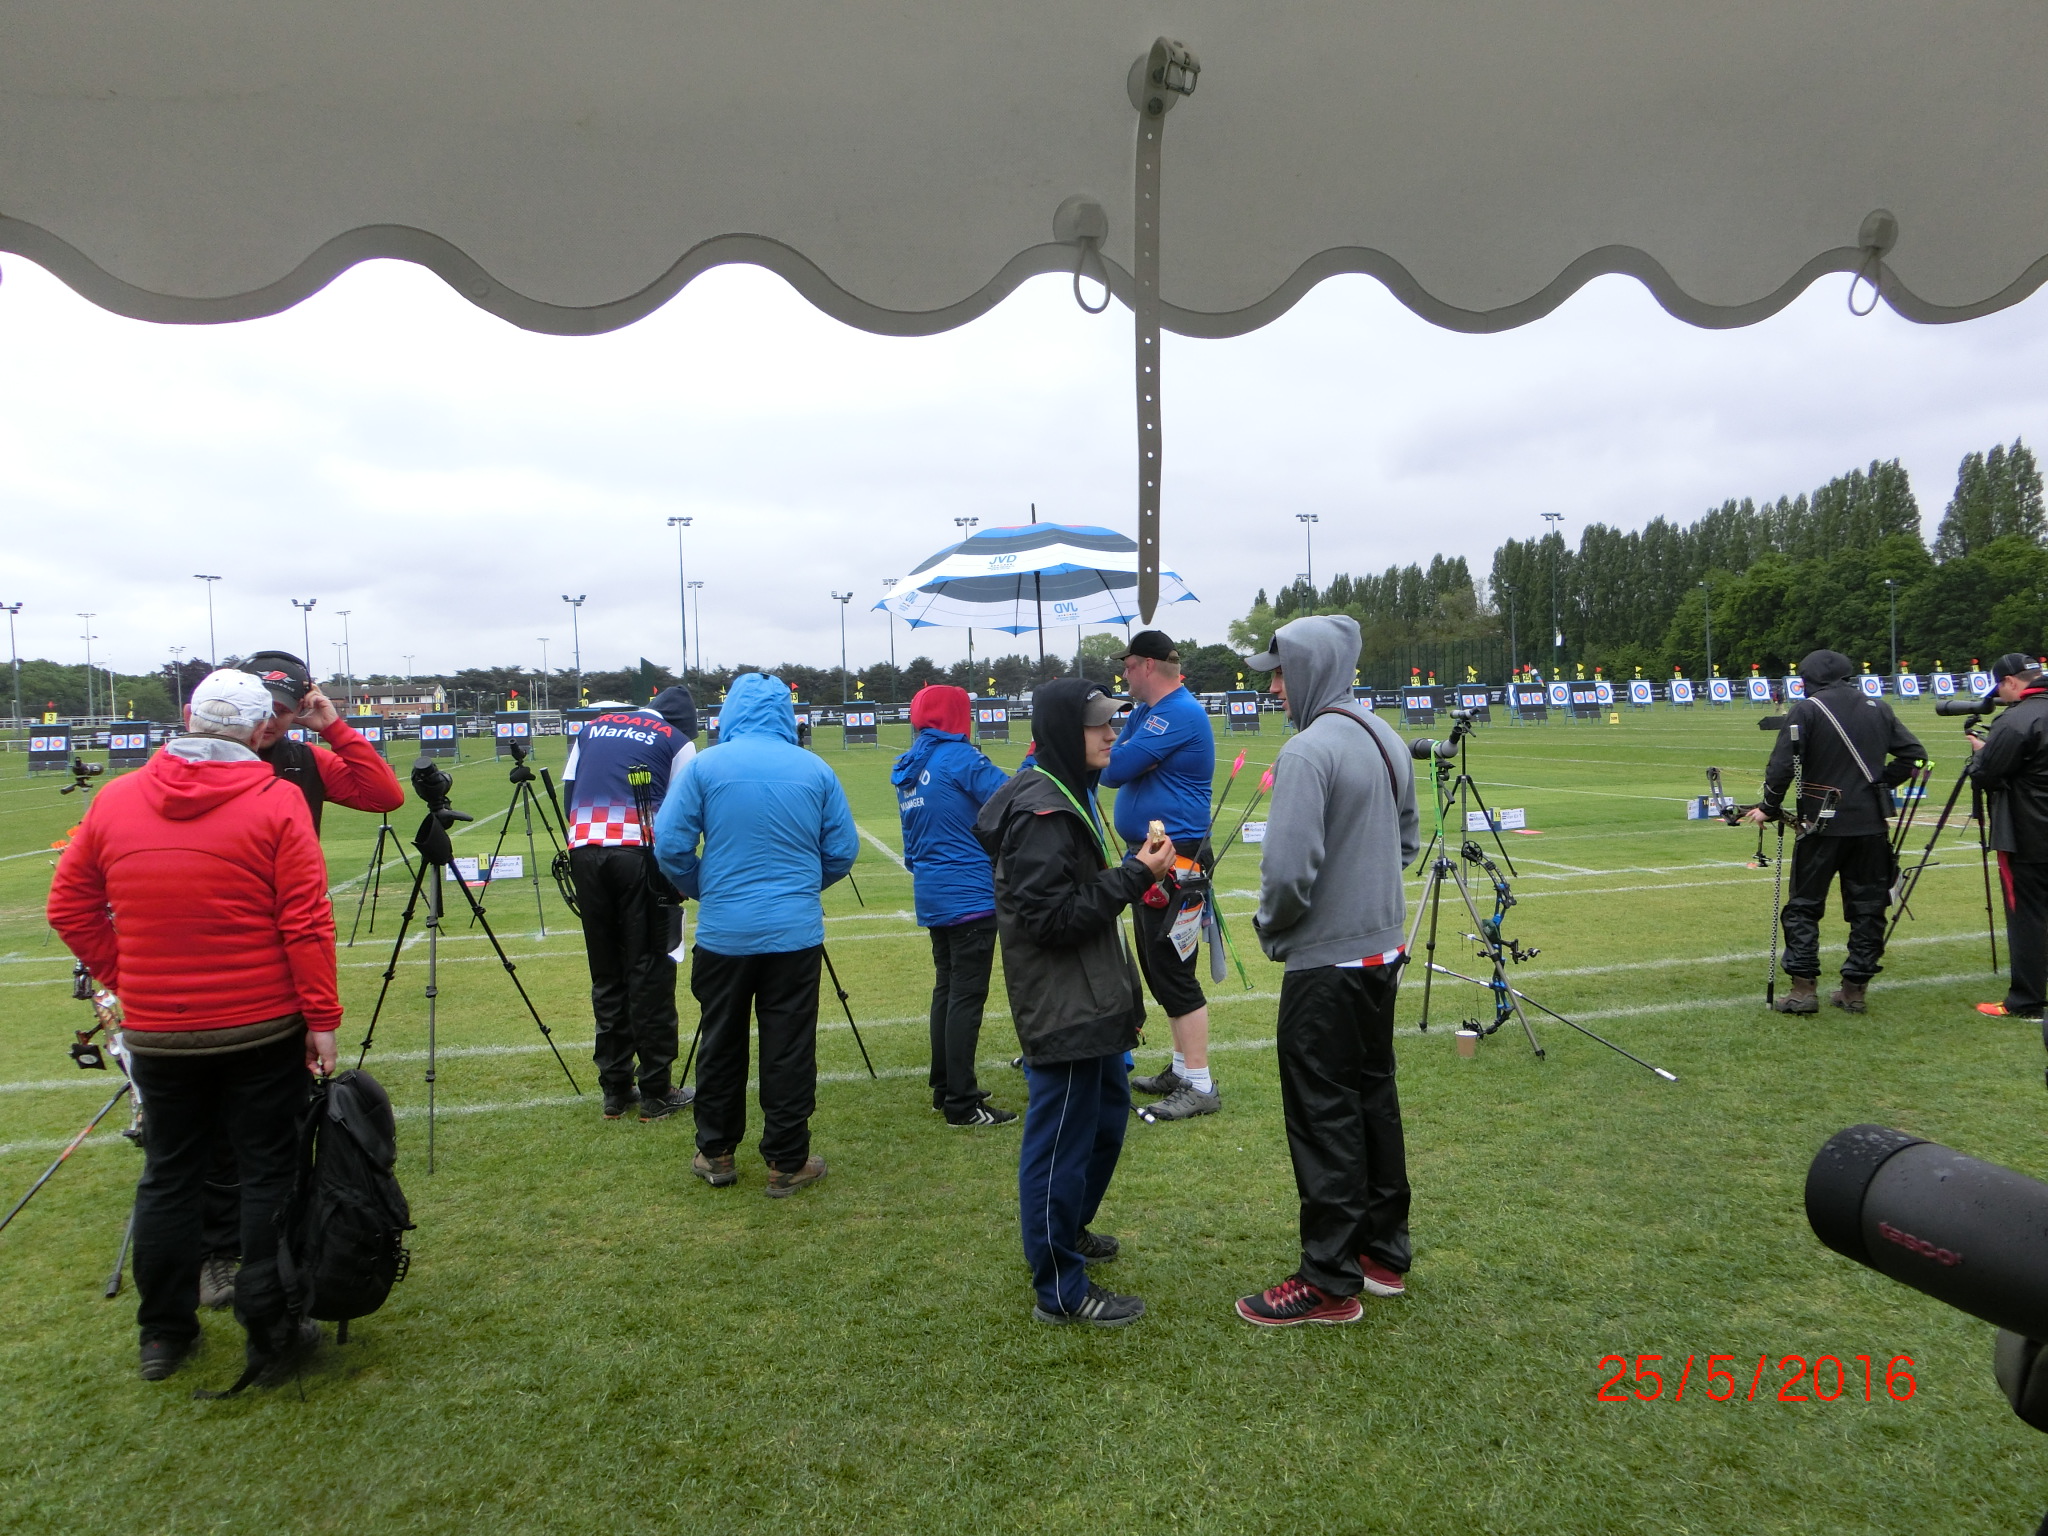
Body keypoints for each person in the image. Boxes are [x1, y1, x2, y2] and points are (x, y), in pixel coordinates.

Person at [47, 669, 339, 1384]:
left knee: (169, 1176)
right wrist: (321, 1017)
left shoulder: (117, 798)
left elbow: (69, 907)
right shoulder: (275, 799)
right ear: (258, 730)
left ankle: (164, 1334)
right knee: (266, 1172)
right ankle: (270, 1329)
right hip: (259, 1024)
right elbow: (305, 920)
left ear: (187, 717)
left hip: (160, 1031)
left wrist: (130, 976)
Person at [189, 650, 404, 1313]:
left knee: (275, 1114)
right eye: (271, 710)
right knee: (214, 1122)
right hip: (209, 950)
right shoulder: (198, 763)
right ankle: (217, 1250)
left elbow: (383, 795)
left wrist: (332, 727)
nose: (277, 722)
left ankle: (276, 1239)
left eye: (288, 710)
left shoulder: (301, 760)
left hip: (281, 952)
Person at [1235, 616, 1419, 1326]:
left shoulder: (1309, 750)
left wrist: (1274, 929)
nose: (1274, 689)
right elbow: (1405, 841)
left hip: (1327, 965)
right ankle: (1382, 1254)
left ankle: (1328, 1280)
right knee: (1373, 1098)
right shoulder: (1385, 735)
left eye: (1281, 673)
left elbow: (1287, 874)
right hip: (1380, 955)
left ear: (1312, 668)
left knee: (1324, 1114)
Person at [976, 680, 1176, 1325]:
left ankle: (1068, 1229)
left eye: (1113, 721)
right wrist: (1135, 874)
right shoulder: (1043, 810)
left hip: (1090, 998)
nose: (1112, 733)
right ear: (1065, 730)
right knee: (1060, 1143)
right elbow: (1050, 921)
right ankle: (1060, 1288)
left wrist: (1131, 873)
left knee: (1106, 1120)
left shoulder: (1068, 792)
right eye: (1098, 724)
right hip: (1063, 1005)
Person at [655, 672, 857, 1196]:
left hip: (725, 932)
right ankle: (787, 1160)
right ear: (786, 713)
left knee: (720, 1042)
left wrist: (706, 887)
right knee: (790, 1046)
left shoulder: (705, 766)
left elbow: (670, 845)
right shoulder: (814, 768)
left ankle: (716, 1152)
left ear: (730, 712)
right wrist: (801, 889)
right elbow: (842, 851)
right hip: (794, 933)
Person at [1745, 649, 1923, 1014]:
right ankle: (1854, 991)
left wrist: (1769, 806)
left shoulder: (1807, 709)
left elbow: (1781, 766)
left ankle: (1803, 990)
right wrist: (1879, 784)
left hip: (1820, 827)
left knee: (1804, 907)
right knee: (1868, 908)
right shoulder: (1878, 707)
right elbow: (1914, 757)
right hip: (1870, 825)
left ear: (1808, 680)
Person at [562, 687, 700, 1121]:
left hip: (584, 852)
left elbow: (569, 795)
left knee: (607, 971)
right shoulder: (677, 740)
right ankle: (656, 1090)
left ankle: (615, 1088)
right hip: (640, 855)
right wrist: (678, 876)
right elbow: (683, 813)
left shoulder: (592, 728)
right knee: (650, 970)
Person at [1100, 631, 1222, 1121]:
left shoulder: (1176, 713)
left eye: (1127, 665)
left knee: (1172, 969)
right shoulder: (1149, 713)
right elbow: (1116, 762)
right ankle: (1181, 1069)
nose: (1123, 673)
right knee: (1158, 967)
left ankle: (1200, 1083)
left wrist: (1126, 744)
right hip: (1153, 857)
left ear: (1148, 665)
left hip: (1177, 859)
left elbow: (1114, 768)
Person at [892, 684, 1016, 1126]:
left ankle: (945, 1087)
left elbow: (911, 843)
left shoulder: (911, 764)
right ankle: (962, 1104)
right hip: (970, 894)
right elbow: (1012, 797)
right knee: (966, 995)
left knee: (946, 989)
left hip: (933, 890)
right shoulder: (961, 758)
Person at [1966, 653, 2048, 1024]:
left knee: (2026, 916)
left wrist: (1980, 754)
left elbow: (1986, 773)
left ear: (2011, 682)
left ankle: (2026, 1001)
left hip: (2027, 833)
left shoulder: (2017, 719)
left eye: (2000, 688)